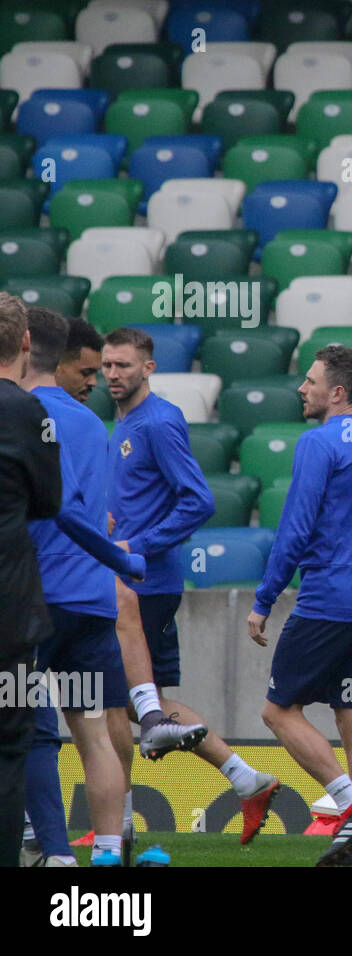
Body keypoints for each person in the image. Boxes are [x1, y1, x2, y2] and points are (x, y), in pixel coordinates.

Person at [104, 326, 279, 845]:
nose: (114, 374)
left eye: (124, 366)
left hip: (146, 584)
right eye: (108, 366)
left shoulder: (158, 421)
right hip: (130, 581)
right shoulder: (125, 422)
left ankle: (118, 823)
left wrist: (138, 545)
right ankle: (247, 780)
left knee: (116, 701)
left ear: (149, 368)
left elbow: (198, 500)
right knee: (142, 701)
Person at [249, 346, 352, 867]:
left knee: (277, 709)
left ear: (337, 392)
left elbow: (295, 528)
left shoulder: (319, 443)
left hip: (329, 597)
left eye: (311, 381)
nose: (302, 388)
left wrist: (264, 599)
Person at [21, 308, 147, 867]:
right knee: (93, 732)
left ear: (27, 351)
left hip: (34, 597)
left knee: (28, 725)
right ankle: (106, 852)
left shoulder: (20, 415)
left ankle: (54, 851)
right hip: (92, 600)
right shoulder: (91, 423)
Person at [0, 293, 62, 867]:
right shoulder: (27, 411)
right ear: (25, 343)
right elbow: (49, 502)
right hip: (10, 612)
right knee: (9, 751)